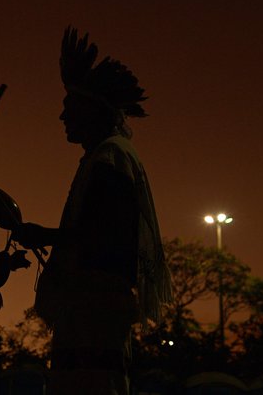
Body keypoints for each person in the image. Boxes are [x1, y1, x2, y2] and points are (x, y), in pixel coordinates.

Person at [12, 28, 172, 395]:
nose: (62, 117)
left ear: (92, 109)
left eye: (70, 108)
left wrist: (47, 236)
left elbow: (107, 236)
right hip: (93, 306)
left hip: (95, 308)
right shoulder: (106, 157)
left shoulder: (110, 158)